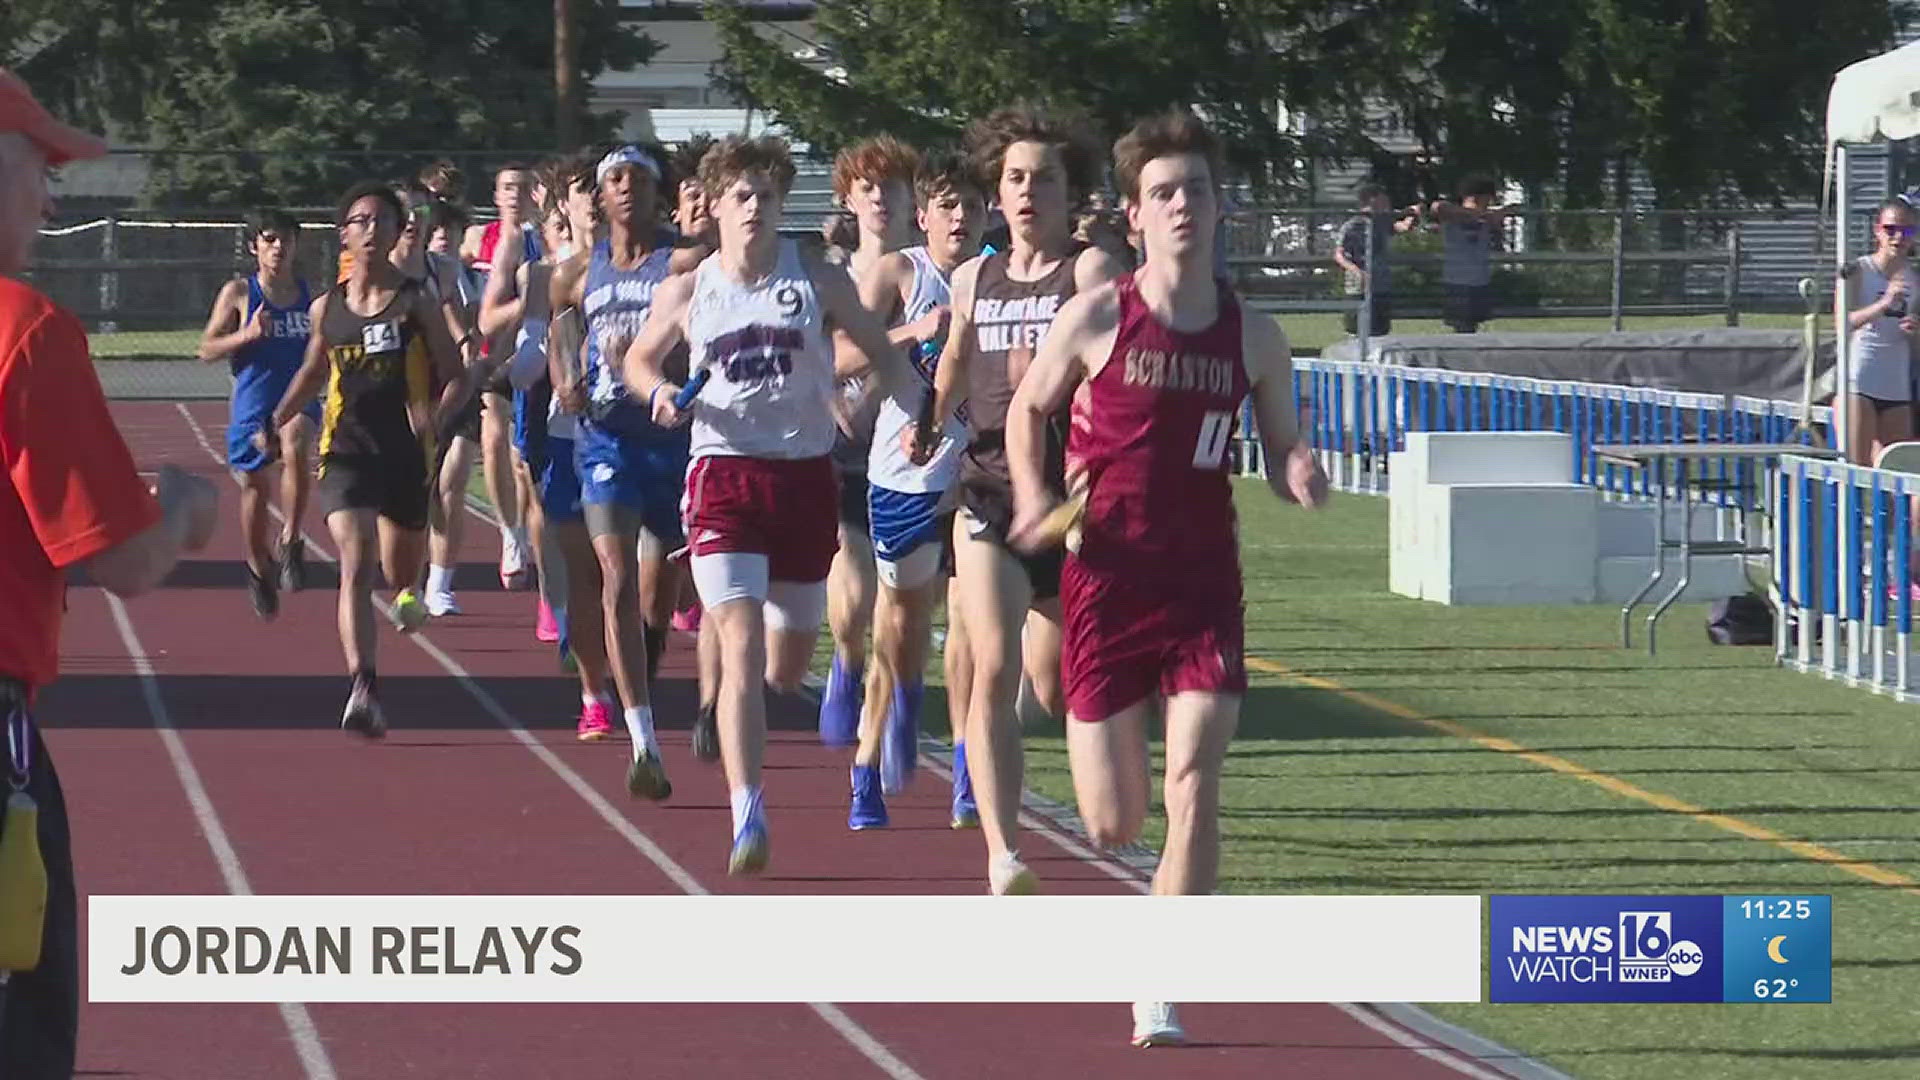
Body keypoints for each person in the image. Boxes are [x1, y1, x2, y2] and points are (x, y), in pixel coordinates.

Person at [1004, 108, 1327, 1048]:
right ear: (1134, 217)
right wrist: (1033, 492)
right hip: (1104, 586)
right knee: (1114, 821)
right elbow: (1029, 412)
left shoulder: (1255, 336)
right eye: (1163, 193)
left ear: (1221, 207)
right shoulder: (1099, 315)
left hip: (1200, 589)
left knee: (1196, 779)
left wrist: (1298, 468)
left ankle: (1161, 983)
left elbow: (1280, 443)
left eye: (1197, 189)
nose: (1183, 204)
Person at [0, 69, 219, 1076]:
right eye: (39, 168)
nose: (54, 196)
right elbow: (123, 561)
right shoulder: (26, 334)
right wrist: (182, 510)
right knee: (22, 1014)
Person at [622, 133, 910, 875]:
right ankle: (748, 810)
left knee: (786, 663)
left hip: (805, 476)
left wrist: (900, 408)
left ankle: (775, 714)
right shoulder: (689, 288)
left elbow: (881, 350)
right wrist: (657, 394)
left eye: (768, 197)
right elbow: (637, 357)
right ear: (714, 206)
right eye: (741, 196)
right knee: (741, 645)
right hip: (724, 475)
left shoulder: (814, 274)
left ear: (784, 205)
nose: (754, 208)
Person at [909, 104, 1126, 894]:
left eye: (1045, 179)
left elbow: (1117, 373)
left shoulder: (1091, 272)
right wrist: (931, 425)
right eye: (1016, 178)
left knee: (1055, 686)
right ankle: (1003, 852)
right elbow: (957, 358)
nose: (1029, 192)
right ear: (997, 193)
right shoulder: (973, 277)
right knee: (991, 665)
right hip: (991, 491)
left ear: (1072, 193)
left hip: (1072, 502)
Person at [270, 181, 476, 737]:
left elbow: (456, 376)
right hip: (346, 452)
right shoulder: (327, 308)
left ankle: (409, 590)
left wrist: (433, 414)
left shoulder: (417, 303)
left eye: (383, 221)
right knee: (355, 562)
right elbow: (314, 369)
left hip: (405, 456)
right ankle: (364, 686)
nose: (372, 230)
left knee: (398, 572)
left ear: (393, 234)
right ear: (344, 234)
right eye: (361, 220)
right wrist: (280, 416)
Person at [548, 143, 702, 795]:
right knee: (613, 575)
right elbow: (557, 325)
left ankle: (644, 655)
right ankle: (642, 742)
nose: (627, 188)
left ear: (657, 191)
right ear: (601, 198)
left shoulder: (685, 259)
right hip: (605, 440)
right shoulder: (579, 270)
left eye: (639, 178)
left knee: (659, 587)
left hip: (674, 440)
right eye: (615, 179)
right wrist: (565, 376)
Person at [845, 152, 986, 828]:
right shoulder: (900, 272)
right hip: (901, 476)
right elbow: (838, 355)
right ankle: (869, 758)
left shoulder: (1003, 281)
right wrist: (908, 333)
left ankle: (966, 771)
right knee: (898, 627)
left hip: (979, 475)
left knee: (970, 626)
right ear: (923, 216)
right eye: (948, 206)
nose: (961, 218)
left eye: (972, 207)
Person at [819, 135, 922, 750]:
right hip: (843, 450)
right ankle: (847, 661)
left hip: (917, 457)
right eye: (868, 188)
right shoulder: (834, 276)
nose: (881, 198)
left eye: (893, 186)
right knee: (854, 584)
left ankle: (889, 700)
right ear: (848, 200)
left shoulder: (930, 268)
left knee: (903, 601)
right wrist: (905, 337)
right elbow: (823, 360)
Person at [195, 208, 318, 619]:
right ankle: (256, 565)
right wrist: (246, 334)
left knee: (297, 437)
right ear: (255, 247)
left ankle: (293, 538)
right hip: (253, 405)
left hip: (297, 399)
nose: (279, 247)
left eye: (286, 239)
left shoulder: (309, 295)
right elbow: (206, 350)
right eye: (270, 239)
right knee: (255, 487)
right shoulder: (240, 293)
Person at [462, 163, 541, 589]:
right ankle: (510, 534)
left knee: (522, 458)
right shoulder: (479, 240)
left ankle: (527, 532)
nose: (515, 194)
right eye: (507, 187)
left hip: (530, 357)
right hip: (491, 356)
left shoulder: (546, 238)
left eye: (523, 186)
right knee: (492, 442)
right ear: (495, 195)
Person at [1843, 196, 1920, 465]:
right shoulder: (1858, 271)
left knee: (1897, 472)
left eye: (1907, 231)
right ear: (1878, 230)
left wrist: (1916, 334)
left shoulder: (1915, 279)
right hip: (1861, 378)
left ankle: (1887, 510)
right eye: (1891, 230)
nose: (1898, 237)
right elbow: (1842, 323)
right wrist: (1883, 303)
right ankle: (1851, 509)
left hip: (1897, 383)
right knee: (1858, 467)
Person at [1331, 183, 1420, 338]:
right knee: (1357, 332)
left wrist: (1413, 213)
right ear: (1372, 200)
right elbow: (1339, 255)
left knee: (1380, 332)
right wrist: (1358, 273)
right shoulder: (1353, 224)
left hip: (1381, 287)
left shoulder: (1383, 222)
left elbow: (1403, 227)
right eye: (1383, 198)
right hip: (1358, 288)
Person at [1429, 174, 1506, 334]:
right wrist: (1476, 214)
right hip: (1457, 280)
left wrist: (1495, 221)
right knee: (1461, 326)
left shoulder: (1488, 217)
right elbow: (1438, 207)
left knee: (1472, 327)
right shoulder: (1452, 213)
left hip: (1480, 280)